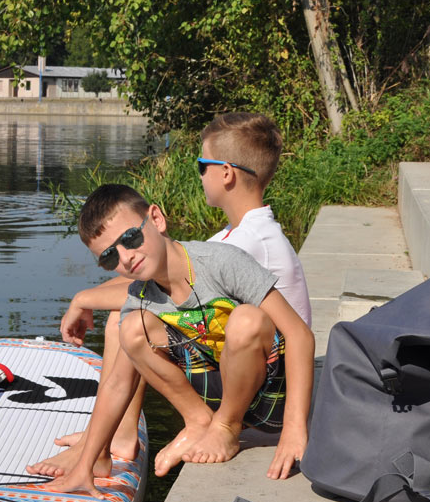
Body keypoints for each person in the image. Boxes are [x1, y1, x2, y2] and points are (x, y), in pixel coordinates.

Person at [33, 113, 310, 473]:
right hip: (231, 360)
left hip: (267, 381)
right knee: (131, 319)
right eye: (109, 256)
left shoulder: (246, 243)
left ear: (225, 173)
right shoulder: (236, 233)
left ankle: (122, 435)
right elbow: (161, 282)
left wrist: (83, 299)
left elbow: (292, 333)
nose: (198, 175)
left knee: (129, 313)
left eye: (200, 165)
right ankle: (113, 436)